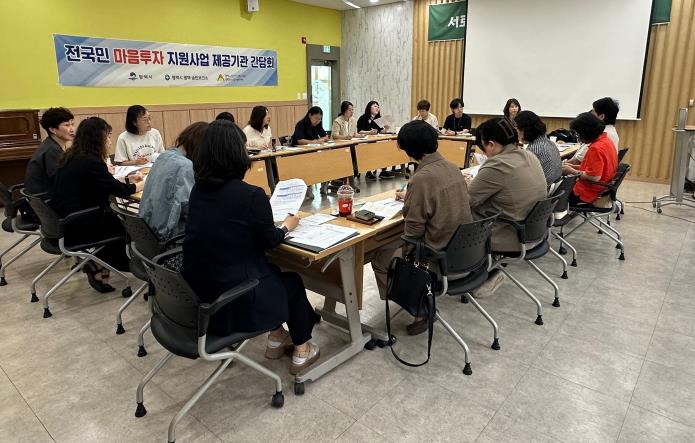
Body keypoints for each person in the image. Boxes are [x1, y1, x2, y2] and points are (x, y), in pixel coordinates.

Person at [182, 120, 320, 375]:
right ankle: (302, 348)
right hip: (235, 300)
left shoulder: (198, 191)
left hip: (203, 293)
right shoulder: (251, 195)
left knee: (273, 272)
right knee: (291, 283)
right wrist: (287, 226)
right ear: (238, 154)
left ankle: (277, 337)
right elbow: (269, 240)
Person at [370, 120, 472, 335]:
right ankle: (419, 299)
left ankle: (419, 308)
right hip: (464, 251)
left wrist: (408, 265)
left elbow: (413, 233)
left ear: (409, 150)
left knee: (380, 257)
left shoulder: (421, 179)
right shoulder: (453, 167)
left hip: (438, 258)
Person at [51, 117, 145, 293]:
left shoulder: (74, 156)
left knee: (117, 217)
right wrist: (142, 184)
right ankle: (110, 264)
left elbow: (100, 183)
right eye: (108, 136)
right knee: (130, 225)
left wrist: (127, 179)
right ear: (97, 138)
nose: (110, 140)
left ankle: (99, 265)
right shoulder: (91, 161)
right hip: (81, 223)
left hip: (68, 219)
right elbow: (120, 191)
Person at [466, 117, 547, 298]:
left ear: (491, 144)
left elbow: (466, 200)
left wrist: (465, 184)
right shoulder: (529, 155)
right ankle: (489, 268)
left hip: (510, 236)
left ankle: (468, 274)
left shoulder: (498, 164)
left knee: (455, 214)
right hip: (534, 231)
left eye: (483, 148)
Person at [139, 122, 208, 240]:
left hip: (147, 233)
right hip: (169, 239)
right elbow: (191, 210)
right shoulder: (186, 166)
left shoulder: (163, 156)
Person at [562, 112, 618, 206]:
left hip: (587, 192)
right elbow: (594, 169)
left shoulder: (596, 148)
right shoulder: (606, 141)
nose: (577, 136)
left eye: (577, 133)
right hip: (601, 188)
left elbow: (594, 177)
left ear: (585, 132)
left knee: (553, 193)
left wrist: (571, 171)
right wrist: (572, 166)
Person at [24, 107, 75, 195]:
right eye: (67, 125)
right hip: (45, 199)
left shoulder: (49, 144)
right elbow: (62, 181)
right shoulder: (52, 150)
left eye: (72, 124)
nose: (72, 129)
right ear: (52, 129)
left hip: (42, 196)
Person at [514, 110, 562, 186]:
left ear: (524, 130)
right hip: (553, 189)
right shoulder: (550, 143)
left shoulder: (534, 149)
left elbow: (523, 177)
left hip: (542, 190)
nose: (516, 133)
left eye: (517, 129)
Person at [567, 97, 620, 165]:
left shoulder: (600, 134)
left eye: (592, 112)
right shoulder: (611, 131)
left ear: (601, 117)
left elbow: (577, 161)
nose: (589, 114)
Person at [357, 100, 394, 180]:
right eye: (375, 106)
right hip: (364, 143)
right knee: (370, 150)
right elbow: (359, 131)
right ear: (369, 108)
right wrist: (369, 132)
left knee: (384, 148)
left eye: (378, 106)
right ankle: (368, 172)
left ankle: (383, 171)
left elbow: (380, 131)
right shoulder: (363, 118)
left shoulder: (378, 119)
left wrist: (386, 128)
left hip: (375, 142)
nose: (377, 108)